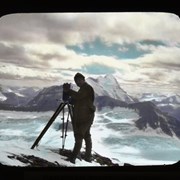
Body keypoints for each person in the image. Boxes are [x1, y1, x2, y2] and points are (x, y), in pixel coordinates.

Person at [63, 72, 96, 164]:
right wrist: (69, 98)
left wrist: (68, 91)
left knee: (79, 136)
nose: (78, 82)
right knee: (86, 135)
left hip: (86, 117)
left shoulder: (87, 88)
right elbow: (78, 100)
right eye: (76, 81)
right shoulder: (81, 89)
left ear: (83, 80)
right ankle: (88, 156)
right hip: (82, 117)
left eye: (79, 80)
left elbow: (79, 96)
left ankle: (73, 158)